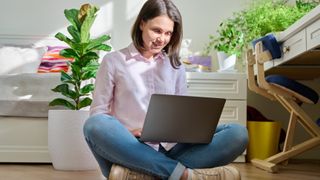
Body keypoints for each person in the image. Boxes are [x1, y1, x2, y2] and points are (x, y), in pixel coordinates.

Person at [83, 0, 248, 179]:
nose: (162, 39)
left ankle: (145, 174)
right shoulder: (114, 61)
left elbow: (182, 112)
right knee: (94, 125)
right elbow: (98, 112)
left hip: (173, 147)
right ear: (141, 23)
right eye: (157, 30)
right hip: (131, 148)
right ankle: (184, 175)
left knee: (237, 133)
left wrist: (189, 129)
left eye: (168, 33)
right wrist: (128, 133)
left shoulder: (175, 66)